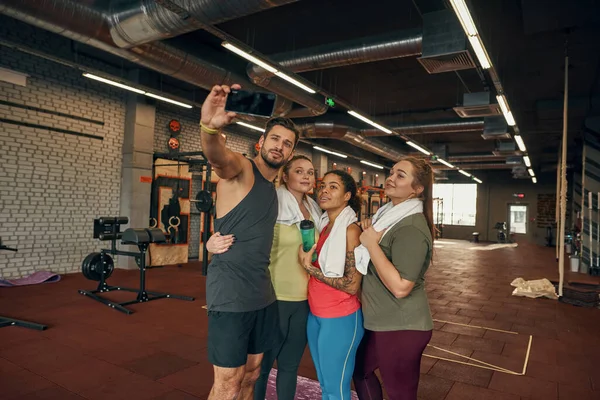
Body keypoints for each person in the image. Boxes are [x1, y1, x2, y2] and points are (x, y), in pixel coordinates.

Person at [200, 83, 300, 400]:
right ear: (261, 142)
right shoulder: (243, 169)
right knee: (228, 383)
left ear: (290, 153)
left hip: (262, 294)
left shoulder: (273, 190)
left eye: (287, 144)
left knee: (252, 375)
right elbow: (218, 158)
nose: (279, 147)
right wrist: (209, 128)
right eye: (274, 139)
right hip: (230, 294)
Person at [207, 155, 322, 400]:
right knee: (256, 372)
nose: (306, 176)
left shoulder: (314, 209)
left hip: (303, 298)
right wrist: (212, 241)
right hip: (272, 295)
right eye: (299, 171)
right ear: (286, 175)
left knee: (290, 367)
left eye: (310, 172)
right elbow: (238, 225)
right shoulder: (273, 200)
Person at [352, 157, 434, 400]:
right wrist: (370, 231)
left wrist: (371, 244)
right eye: (392, 172)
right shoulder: (388, 216)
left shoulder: (411, 228)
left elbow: (401, 287)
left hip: (402, 325)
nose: (391, 178)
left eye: (401, 175)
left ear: (417, 189)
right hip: (380, 322)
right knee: (360, 372)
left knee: (401, 394)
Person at [298, 170, 364, 400]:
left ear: (347, 196)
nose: (324, 190)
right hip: (316, 316)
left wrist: (310, 268)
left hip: (340, 318)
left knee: (336, 389)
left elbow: (352, 284)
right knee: (326, 385)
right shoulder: (325, 226)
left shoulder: (351, 230)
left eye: (333, 187)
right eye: (323, 185)